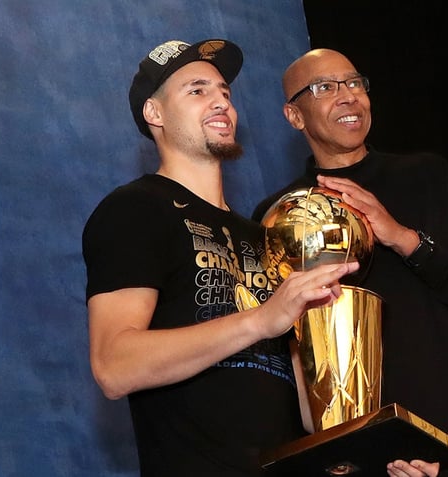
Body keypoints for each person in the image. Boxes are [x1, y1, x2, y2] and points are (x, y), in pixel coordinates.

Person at [252, 49, 448, 477]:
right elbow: (292, 370)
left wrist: (406, 241)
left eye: (355, 82)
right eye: (324, 88)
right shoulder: (278, 220)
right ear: (294, 115)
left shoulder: (428, 177)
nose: (347, 96)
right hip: (387, 464)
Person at [81, 39, 359, 477]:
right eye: (197, 91)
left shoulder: (263, 235)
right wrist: (261, 320)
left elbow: (309, 408)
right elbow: (114, 365)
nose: (221, 103)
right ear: (154, 114)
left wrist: (373, 442)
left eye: (224, 93)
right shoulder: (135, 210)